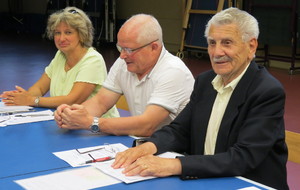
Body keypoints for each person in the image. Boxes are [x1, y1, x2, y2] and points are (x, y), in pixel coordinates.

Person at [111, 7, 289, 190]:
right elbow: (180, 130)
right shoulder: (205, 82)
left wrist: (174, 165)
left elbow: (242, 157)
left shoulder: (266, 91)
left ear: (251, 46)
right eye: (212, 43)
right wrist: (146, 147)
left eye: (227, 43)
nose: (217, 52)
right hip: (207, 180)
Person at [54, 14, 195, 136]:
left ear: (154, 47)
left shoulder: (173, 71)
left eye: (128, 49)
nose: (122, 55)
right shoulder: (125, 62)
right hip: (145, 142)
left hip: (176, 151)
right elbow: (101, 102)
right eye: (120, 47)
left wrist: (92, 123)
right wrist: (72, 114)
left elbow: (147, 126)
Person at [0, 7, 119, 118]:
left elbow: (72, 100)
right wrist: (23, 97)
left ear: (82, 34)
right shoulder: (60, 55)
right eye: (57, 33)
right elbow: (40, 88)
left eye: (68, 32)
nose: (61, 39)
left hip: (97, 129)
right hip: (67, 122)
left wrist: (32, 100)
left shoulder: (93, 60)